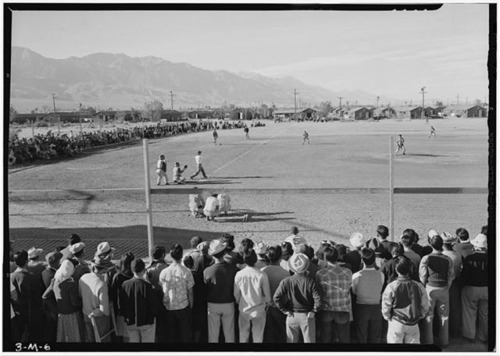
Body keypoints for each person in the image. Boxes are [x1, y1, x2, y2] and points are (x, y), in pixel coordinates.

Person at [274, 252, 322, 343]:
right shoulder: (311, 281)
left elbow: (276, 297)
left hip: (291, 316)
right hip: (307, 316)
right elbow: (318, 299)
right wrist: (314, 310)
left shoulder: (286, 281)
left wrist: (284, 310)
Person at [382, 258, 429, 344]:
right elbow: (425, 304)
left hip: (396, 321)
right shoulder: (419, 286)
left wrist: (387, 316)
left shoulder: (392, 286)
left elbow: (386, 305)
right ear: (410, 269)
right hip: (413, 323)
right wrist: (421, 315)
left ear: (396, 270)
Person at [419, 235, 454, 347]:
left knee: (429, 315)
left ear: (430, 244)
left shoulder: (426, 258)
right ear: (442, 245)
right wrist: (447, 287)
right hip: (443, 288)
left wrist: (424, 287)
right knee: (444, 316)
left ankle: (428, 342)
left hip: (430, 288)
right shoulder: (448, 259)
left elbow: (423, 276)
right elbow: (450, 276)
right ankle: (444, 341)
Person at [204, 239, 239, 343]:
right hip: (228, 302)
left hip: (212, 303)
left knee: (213, 334)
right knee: (229, 333)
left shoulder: (207, 271)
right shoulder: (233, 269)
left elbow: (206, 287)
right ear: (224, 253)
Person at [233, 249, 272, 343]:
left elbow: (236, 293)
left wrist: (238, 301)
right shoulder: (262, 275)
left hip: (244, 308)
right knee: (258, 337)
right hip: (259, 309)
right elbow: (267, 294)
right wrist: (267, 303)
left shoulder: (239, 274)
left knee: (243, 336)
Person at [315, 246, 351, 344]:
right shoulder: (347, 272)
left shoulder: (320, 274)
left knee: (325, 339)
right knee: (344, 340)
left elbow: (319, 291)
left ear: (325, 258)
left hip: (326, 309)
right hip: (343, 309)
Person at [159, 244, 195, 343]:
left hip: (169, 307)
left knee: (171, 336)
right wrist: (190, 306)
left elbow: (162, 289)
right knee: (186, 336)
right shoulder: (186, 272)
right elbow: (190, 292)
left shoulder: (164, 272)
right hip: (184, 306)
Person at [120, 258, 158, 343]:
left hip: (131, 322)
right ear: (144, 270)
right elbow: (153, 307)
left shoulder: (125, 285)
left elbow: (121, 304)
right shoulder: (148, 287)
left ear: (132, 270)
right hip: (147, 322)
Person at [351, 248, 385, 344]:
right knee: (375, 337)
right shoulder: (380, 274)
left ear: (362, 260)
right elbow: (380, 288)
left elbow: (354, 291)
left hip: (361, 308)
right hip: (376, 307)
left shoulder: (356, 275)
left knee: (361, 336)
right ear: (374, 259)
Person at [11, 250, 45, 342]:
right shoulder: (33, 278)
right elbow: (38, 299)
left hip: (16, 315)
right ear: (27, 261)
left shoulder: (10, 276)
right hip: (32, 316)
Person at [461, 233, 488, 343]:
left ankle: (470, 335)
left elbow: (464, 275)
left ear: (476, 246)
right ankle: (484, 336)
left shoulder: (469, 258)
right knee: (484, 314)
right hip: (486, 289)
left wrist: (461, 284)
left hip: (471, 288)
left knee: (469, 312)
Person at [79, 256, 112, 343]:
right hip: (99, 319)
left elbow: (80, 294)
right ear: (104, 269)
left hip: (86, 314)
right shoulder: (102, 284)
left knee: (90, 340)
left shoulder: (83, 277)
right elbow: (105, 310)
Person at [52, 260, 85, 342]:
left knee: (63, 337)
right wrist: (83, 302)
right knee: (74, 338)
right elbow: (75, 302)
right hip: (72, 314)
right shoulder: (71, 284)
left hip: (61, 314)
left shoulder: (55, 281)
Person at [262, 245, 290, 343]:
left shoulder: (263, 271)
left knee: (268, 335)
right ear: (280, 257)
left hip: (265, 308)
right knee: (281, 334)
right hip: (280, 308)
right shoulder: (285, 273)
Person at [145, 245, 169, 343]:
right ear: (163, 255)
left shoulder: (148, 270)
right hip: (167, 301)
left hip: (154, 303)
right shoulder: (168, 267)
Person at [441, 232, 462, 338]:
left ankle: (444, 331)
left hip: (444, 284)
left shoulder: (443, 256)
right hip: (456, 283)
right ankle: (455, 331)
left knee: (443, 309)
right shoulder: (457, 255)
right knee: (455, 308)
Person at [110, 253, 135, 342]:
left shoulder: (117, 277)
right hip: (133, 311)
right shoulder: (134, 276)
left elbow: (112, 295)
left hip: (121, 312)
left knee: (125, 337)